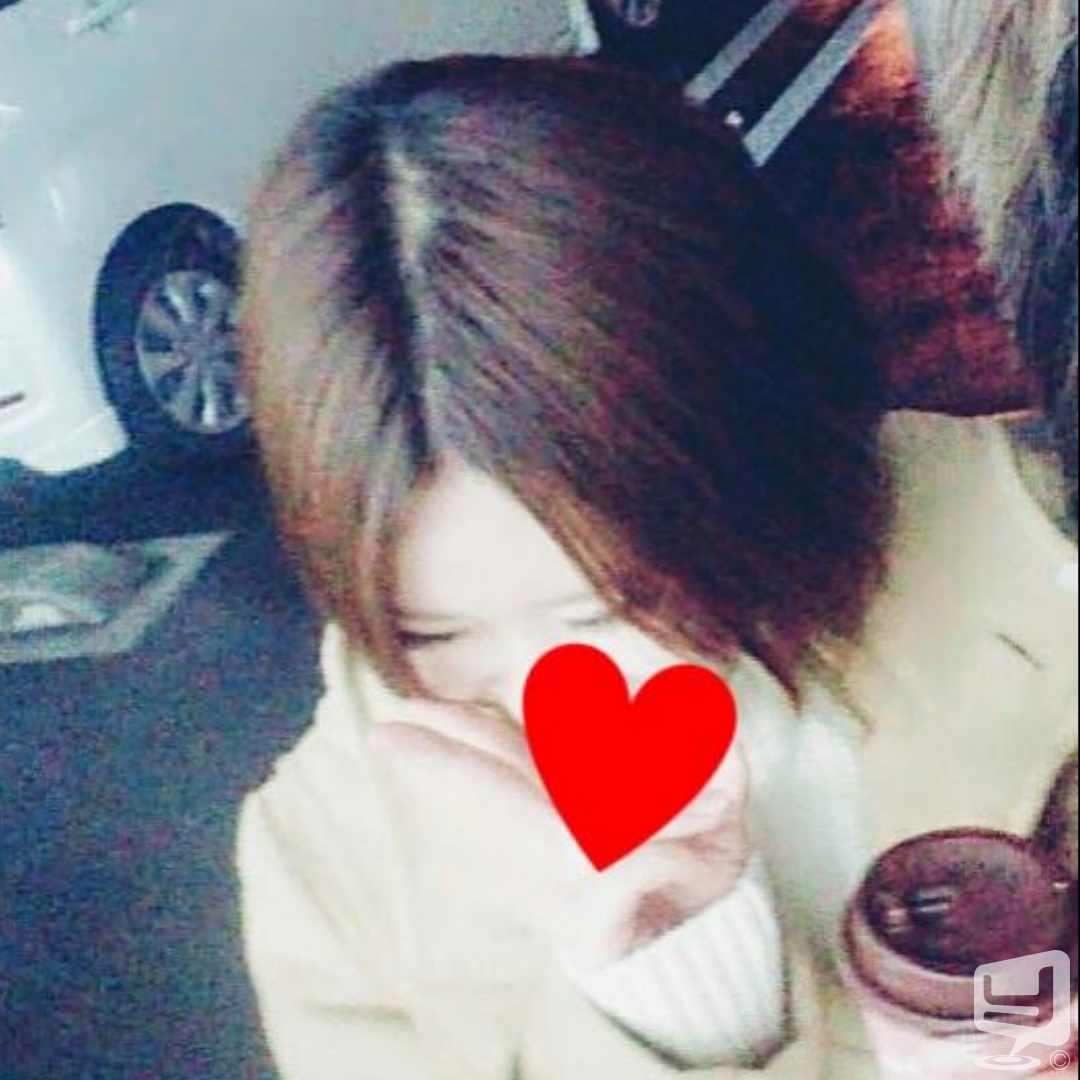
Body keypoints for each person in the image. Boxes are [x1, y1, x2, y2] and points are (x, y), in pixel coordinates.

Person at [236, 55, 1078, 1079]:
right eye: (433, 634)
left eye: (611, 605)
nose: (546, 686)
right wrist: (675, 997)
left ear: (759, 435)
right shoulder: (332, 866)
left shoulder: (1048, 570)